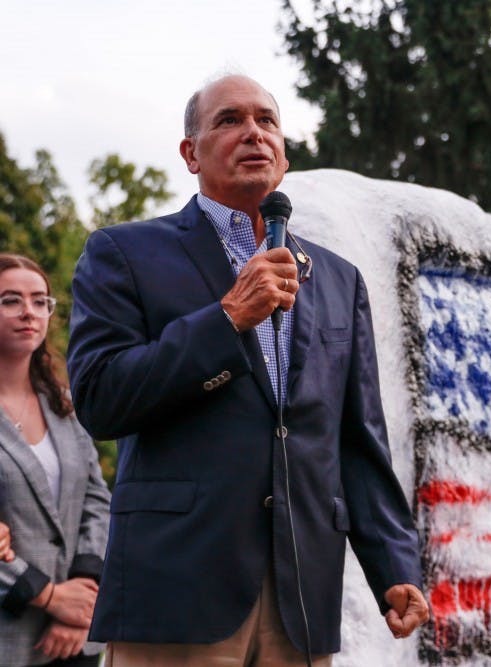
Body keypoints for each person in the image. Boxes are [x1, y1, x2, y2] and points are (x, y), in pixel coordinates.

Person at [66, 74, 429, 666]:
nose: (253, 133)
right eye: (229, 120)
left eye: (266, 120)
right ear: (191, 153)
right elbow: (101, 398)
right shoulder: (124, 254)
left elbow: (357, 441)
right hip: (178, 593)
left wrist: (393, 564)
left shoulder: (337, 278)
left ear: (283, 153)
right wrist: (227, 317)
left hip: (302, 597)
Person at [0, 253, 112, 666]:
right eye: (10, 300)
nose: (28, 311)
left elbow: (97, 501)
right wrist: (48, 597)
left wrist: (81, 595)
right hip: (9, 638)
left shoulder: (63, 403)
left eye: (39, 300)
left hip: (73, 639)